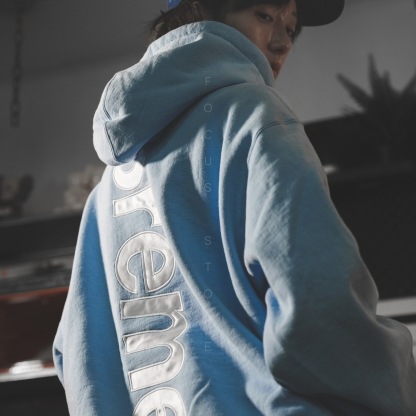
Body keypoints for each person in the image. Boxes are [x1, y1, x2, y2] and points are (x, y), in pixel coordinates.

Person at [53, 0, 416, 414]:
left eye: (290, 28)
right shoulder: (254, 117)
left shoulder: (112, 178)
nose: (282, 42)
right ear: (201, 12)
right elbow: (317, 301)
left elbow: (74, 349)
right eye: (265, 16)